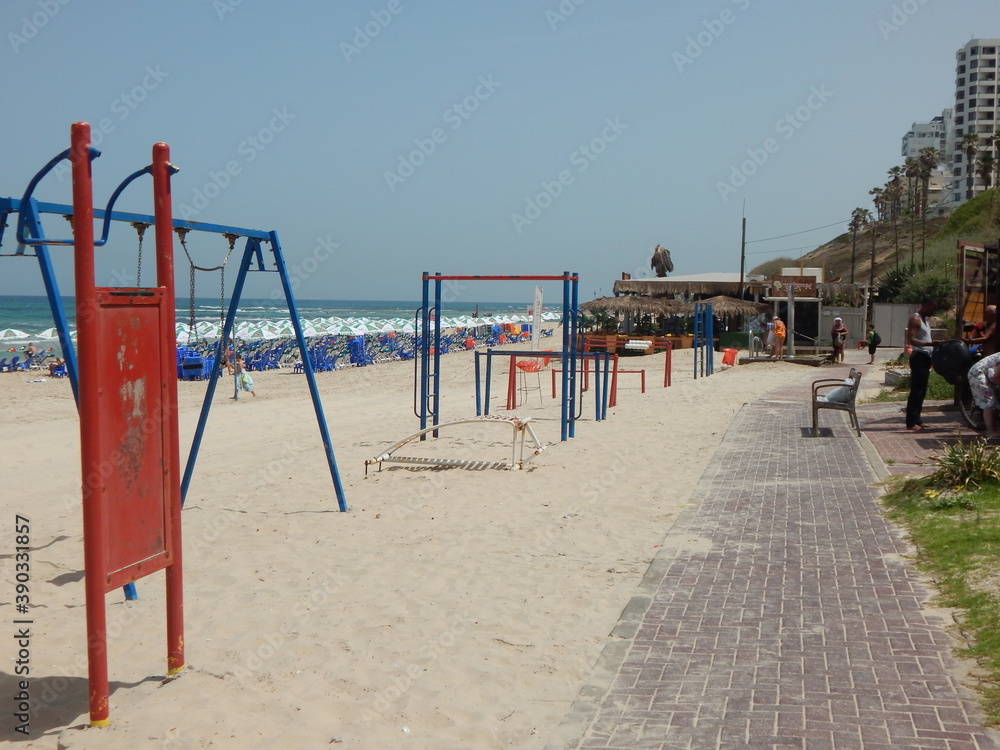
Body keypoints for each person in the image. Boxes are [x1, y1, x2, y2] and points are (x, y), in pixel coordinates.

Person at [904, 297, 940, 431]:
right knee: (916, 390)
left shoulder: (925, 319)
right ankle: (911, 422)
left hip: (926, 357)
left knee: (922, 390)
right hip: (918, 356)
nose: (934, 311)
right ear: (925, 305)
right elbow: (911, 339)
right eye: (932, 307)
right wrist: (929, 344)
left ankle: (917, 420)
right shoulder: (916, 319)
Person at [967, 350, 1000, 439]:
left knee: (995, 399)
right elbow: (997, 378)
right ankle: (990, 431)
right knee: (989, 400)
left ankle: (994, 429)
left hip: (990, 375)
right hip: (978, 373)